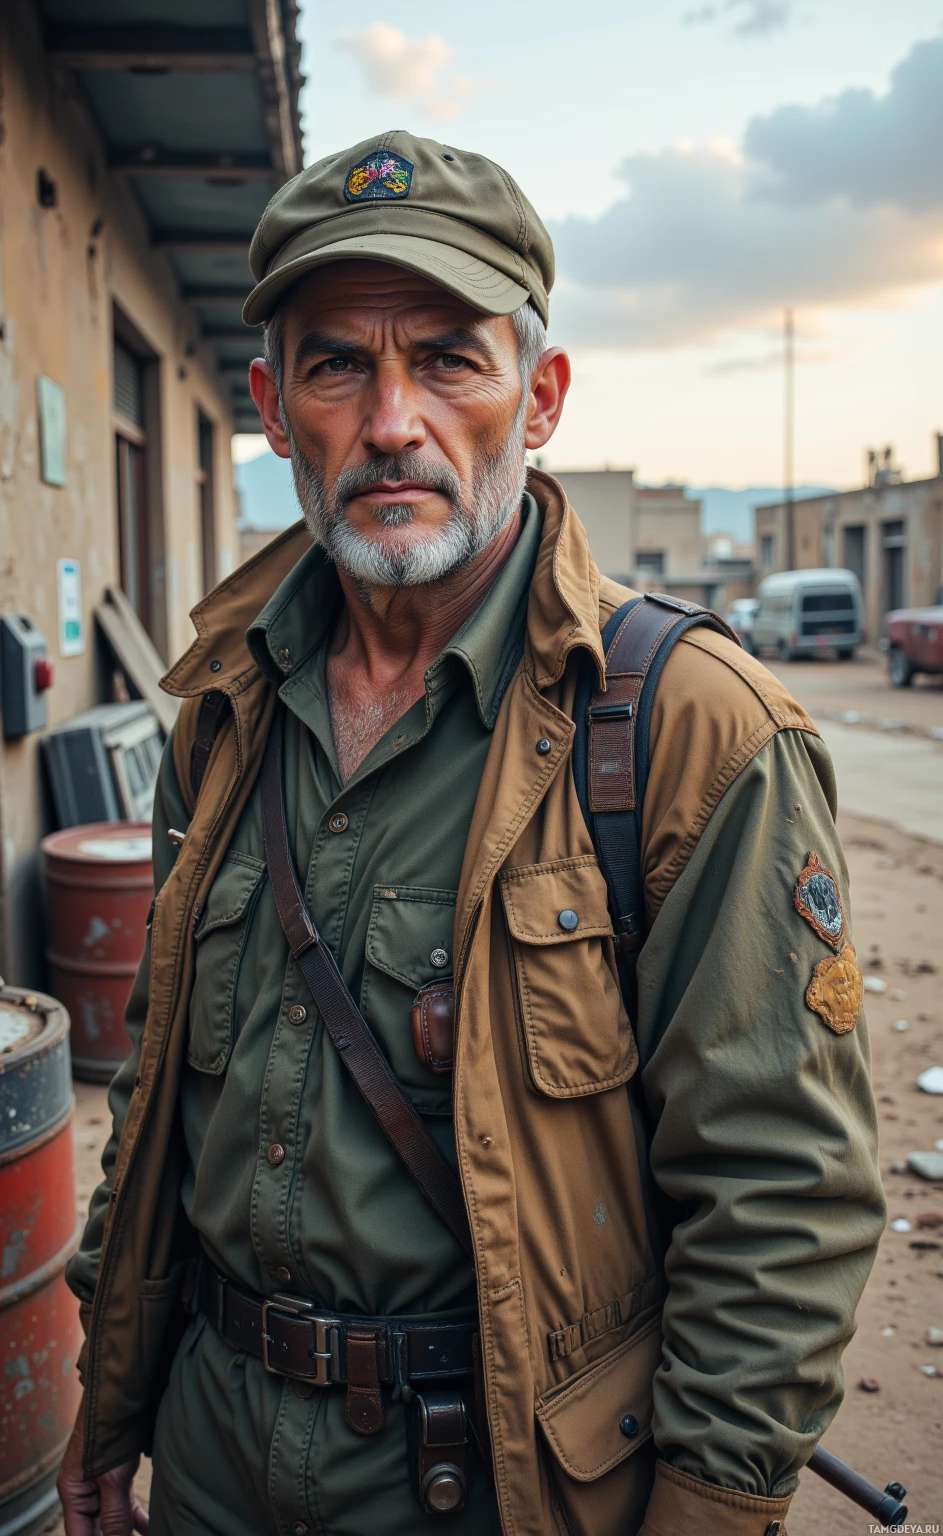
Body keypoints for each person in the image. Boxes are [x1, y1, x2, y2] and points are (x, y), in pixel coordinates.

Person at [58, 131, 884, 1536]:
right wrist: (109, 1412)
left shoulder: (685, 731)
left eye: (448, 357)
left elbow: (780, 1209)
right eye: (337, 365)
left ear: (540, 396)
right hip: (209, 1463)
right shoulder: (219, 707)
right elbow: (157, 1104)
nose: (392, 423)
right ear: (271, 404)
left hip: (483, 1490)